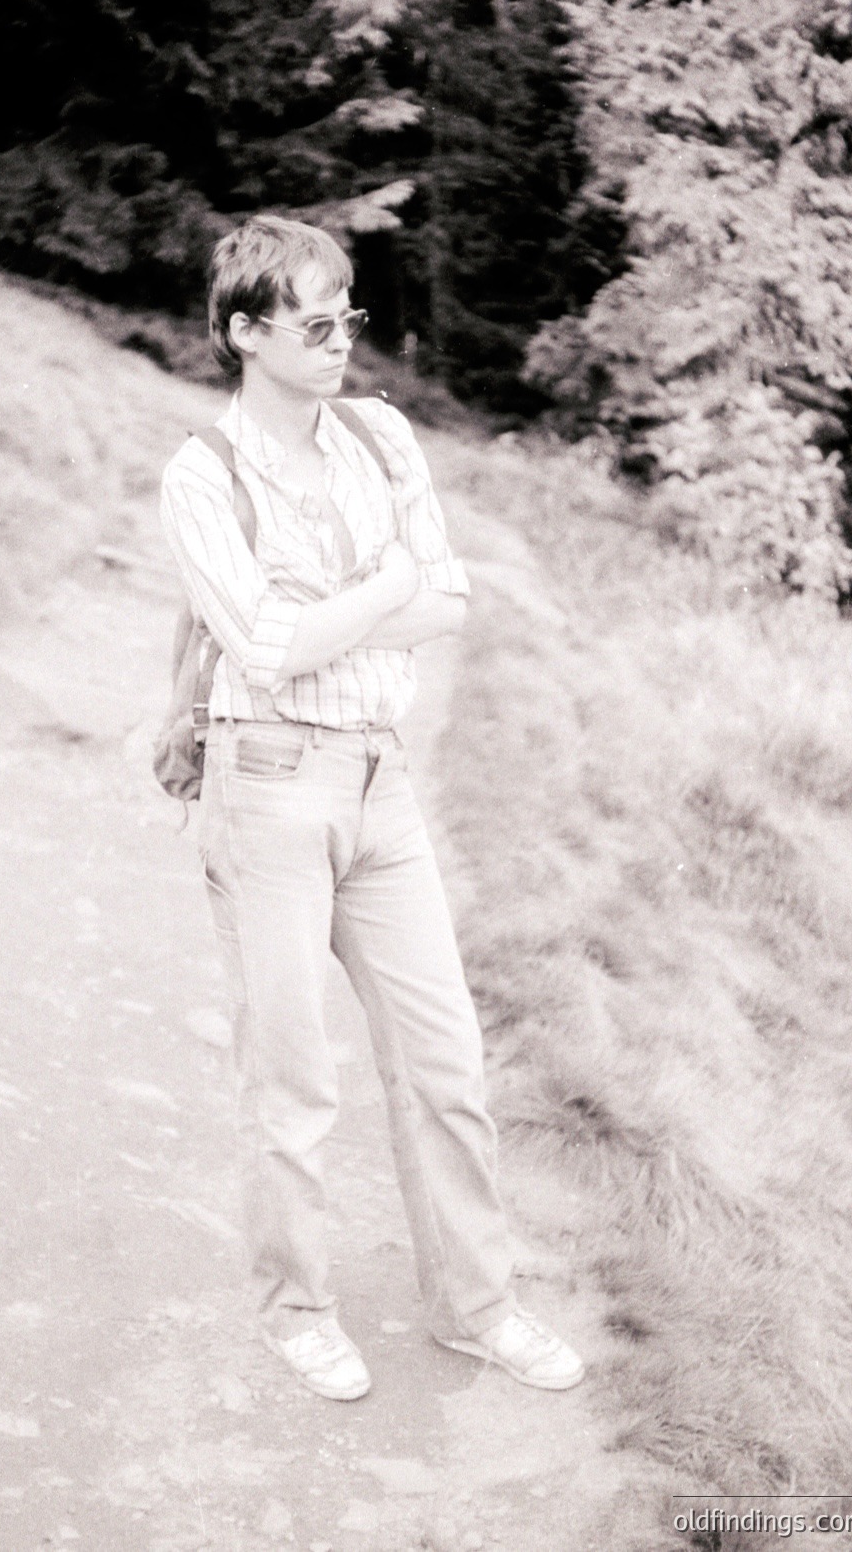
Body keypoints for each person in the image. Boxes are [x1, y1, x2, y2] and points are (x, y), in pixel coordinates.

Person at [158, 214, 584, 1402]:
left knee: (444, 1062)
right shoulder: (203, 471)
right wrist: (383, 583)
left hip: (380, 785)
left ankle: (477, 1305)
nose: (343, 335)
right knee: (293, 1083)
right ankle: (298, 1310)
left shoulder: (384, 434)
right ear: (245, 333)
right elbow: (259, 639)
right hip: (269, 791)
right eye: (313, 319)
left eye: (347, 310)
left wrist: (351, 599)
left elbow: (446, 599)